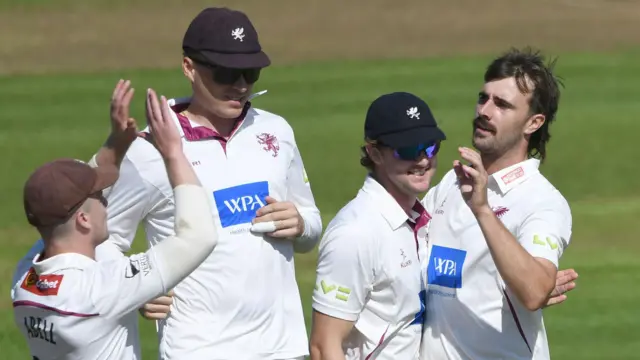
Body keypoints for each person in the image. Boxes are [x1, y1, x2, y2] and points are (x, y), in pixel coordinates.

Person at [95, 7, 321, 360]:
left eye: (251, 72)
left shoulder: (276, 130)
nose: (241, 84)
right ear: (189, 67)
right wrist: (139, 285)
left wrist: (302, 223)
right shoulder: (150, 148)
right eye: (226, 72)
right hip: (198, 350)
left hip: (282, 349)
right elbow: (100, 239)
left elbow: (311, 225)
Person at [11, 85, 220, 360]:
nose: (107, 201)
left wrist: (117, 142)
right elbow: (198, 238)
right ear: (83, 219)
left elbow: (61, 212)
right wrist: (173, 154)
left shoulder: (26, 279)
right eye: (100, 195)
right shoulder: (104, 290)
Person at [420, 47, 575, 359]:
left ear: (533, 123)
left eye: (502, 104)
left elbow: (532, 292)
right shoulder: (450, 183)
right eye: (483, 98)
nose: (484, 111)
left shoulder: (542, 202)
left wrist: (482, 209)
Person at [309, 92, 446, 359]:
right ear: (375, 153)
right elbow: (324, 346)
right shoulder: (355, 233)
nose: (422, 160)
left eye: (430, 147)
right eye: (407, 150)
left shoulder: (420, 219)